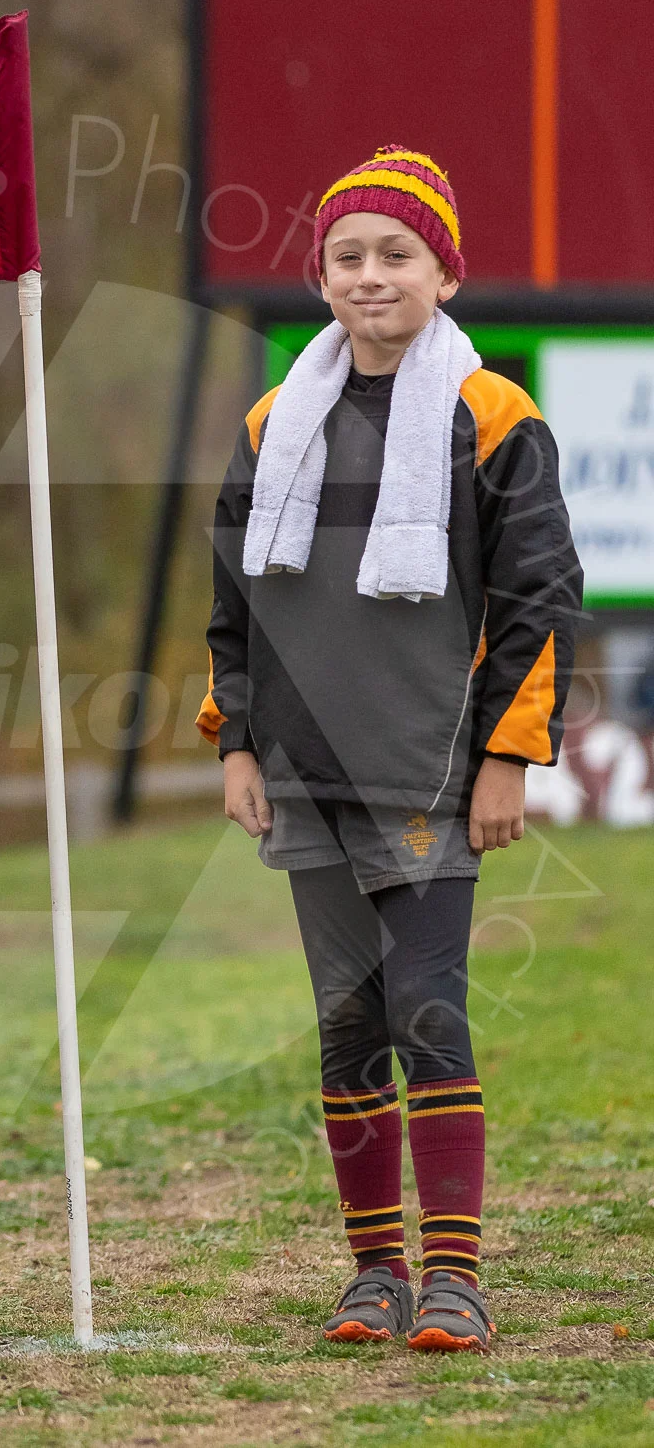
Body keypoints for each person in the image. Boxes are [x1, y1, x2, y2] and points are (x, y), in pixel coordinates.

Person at [197, 147, 582, 1352]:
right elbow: (234, 602)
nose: (371, 275)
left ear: (444, 274)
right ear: (321, 278)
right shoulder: (274, 421)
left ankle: (455, 1275)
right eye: (348, 256)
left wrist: (509, 755)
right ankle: (374, 1274)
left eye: (397, 254)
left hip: (429, 769)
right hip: (304, 770)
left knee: (427, 1014)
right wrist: (237, 740)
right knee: (348, 1025)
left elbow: (542, 600)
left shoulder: (495, 417)